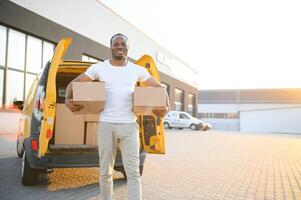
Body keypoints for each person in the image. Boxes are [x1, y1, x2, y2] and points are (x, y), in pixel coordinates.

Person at [65, 33, 169, 200]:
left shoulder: (137, 70)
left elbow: (160, 87)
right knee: (105, 171)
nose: (120, 46)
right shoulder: (99, 68)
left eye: (123, 44)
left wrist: (167, 108)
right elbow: (74, 83)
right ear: (111, 47)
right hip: (106, 125)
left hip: (129, 126)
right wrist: (67, 99)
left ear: (128, 48)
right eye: (116, 44)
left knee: (133, 172)